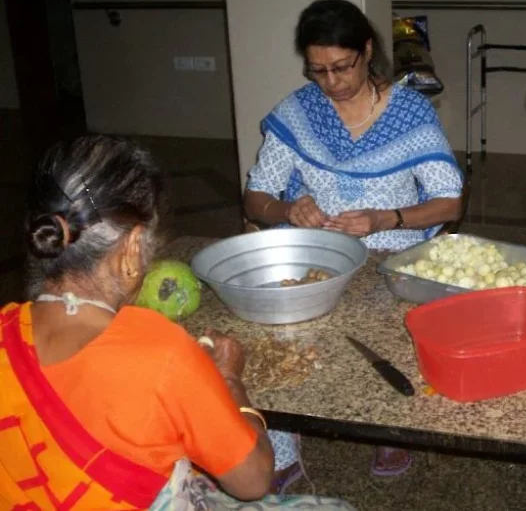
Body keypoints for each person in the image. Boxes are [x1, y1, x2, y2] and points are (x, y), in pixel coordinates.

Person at [0, 135, 357, 511]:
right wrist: (231, 381)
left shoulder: (6, 328)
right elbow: (253, 481)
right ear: (133, 246)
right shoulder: (161, 352)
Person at [243, 0, 464, 480]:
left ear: (367, 51)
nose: (331, 83)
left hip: (390, 250)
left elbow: (450, 204)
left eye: (342, 67)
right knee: (280, 330)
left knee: (385, 327)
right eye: (317, 70)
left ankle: (385, 428)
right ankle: (282, 443)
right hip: (315, 250)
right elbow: (256, 196)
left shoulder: (409, 113)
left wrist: (387, 218)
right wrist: (287, 209)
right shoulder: (298, 112)